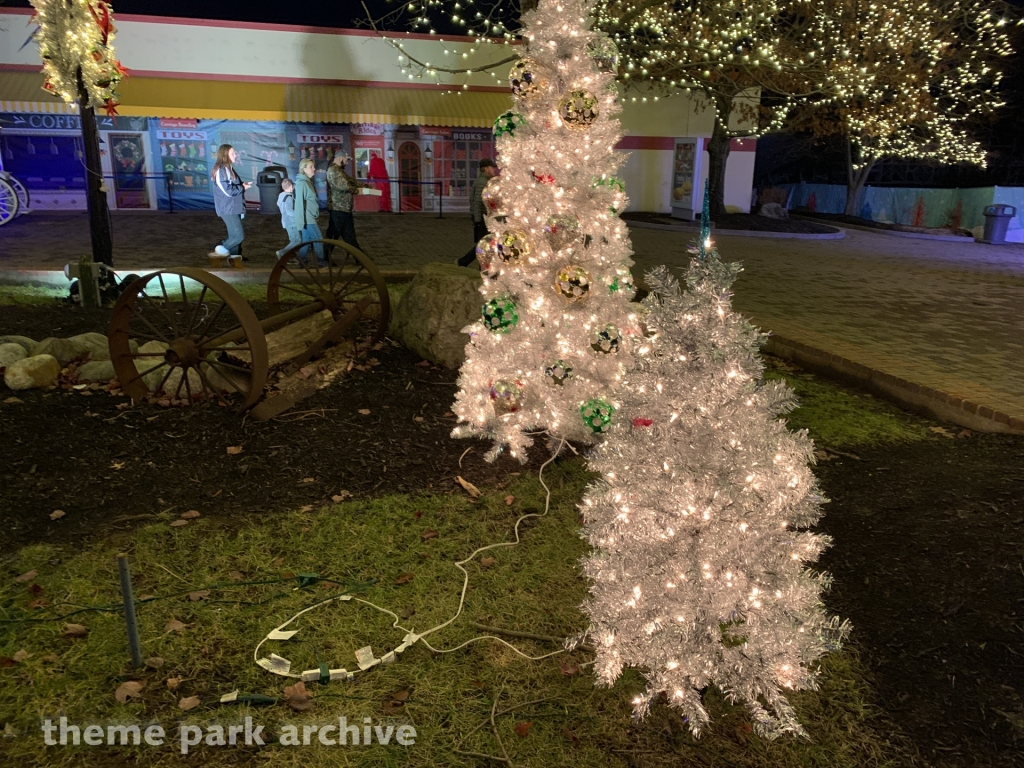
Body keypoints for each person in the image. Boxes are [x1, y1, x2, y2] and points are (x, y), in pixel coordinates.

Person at [210, 144, 251, 260]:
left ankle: (235, 258)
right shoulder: (222, 170)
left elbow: (230, 187)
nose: (235, 155)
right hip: (228, 208)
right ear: (225, 155)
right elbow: (228, 191)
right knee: (238, 236)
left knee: (234, 235)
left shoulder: (228, 169)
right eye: (232, 153)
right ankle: (222, 248)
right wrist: (242, 188)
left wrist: (241, 185)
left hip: (232, 206)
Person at [456, 158, 498, 267]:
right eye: (491, 167)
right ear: (485, 169)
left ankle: (466, 263)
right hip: (483, 219)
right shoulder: (482, 182)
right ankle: (463, 262)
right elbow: (477, 202)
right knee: (483, 244)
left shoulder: (486, 181)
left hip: (485, 218)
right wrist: (478, 220)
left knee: (484, 244)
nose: (494, 170)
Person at [325, 149, 364, 253]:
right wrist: (358, 190)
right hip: (338, 208)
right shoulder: (334, 170)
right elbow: (344, 186)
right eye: (346, 160)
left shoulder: (338, 170)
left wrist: (363, 186)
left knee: (349, 235)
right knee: (333, 235)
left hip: (343, 208)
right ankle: (324, 257)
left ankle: (359, 257)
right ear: (340, 158)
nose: (347, 162)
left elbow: (350, 180)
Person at [294, 158, 325, 265]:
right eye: (311, 167)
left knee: (306, 240)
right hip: (307, 218)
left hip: (309, 216)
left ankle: (302, 260)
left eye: (313, 166)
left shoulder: (307, 182)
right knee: (318, 239)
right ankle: (320, 260)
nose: (314, 169)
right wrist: (300, 222)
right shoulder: (302, 183)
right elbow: (299, 204)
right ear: (304, 169)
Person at [275, 178, 302, 258]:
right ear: (290, 186)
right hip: (291, 222)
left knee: (293, 240)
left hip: (285, 221)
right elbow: (289, 211)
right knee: (297, 240)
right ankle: (282, 252)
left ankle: (290, 256)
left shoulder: (281, 195)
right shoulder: (289, 198)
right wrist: (298, 215)